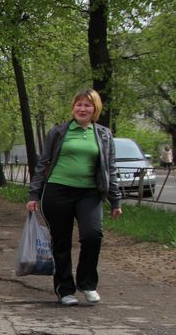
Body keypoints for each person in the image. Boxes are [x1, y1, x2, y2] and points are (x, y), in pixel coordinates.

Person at [26, 89, 122, 306]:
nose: (82, 109)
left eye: (87, 105)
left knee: (92, 235)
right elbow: (43, 163)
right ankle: (65, 289)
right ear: (73, 108)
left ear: (95, 109)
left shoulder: (104, 134)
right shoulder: (59, 132)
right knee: (61, 241)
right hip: (57, 191)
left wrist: (115, 200)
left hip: (89, 193)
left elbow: (110, 168)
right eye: (79, 104)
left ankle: (87, 283)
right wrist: (34, 194)